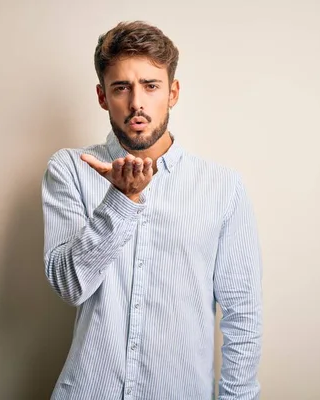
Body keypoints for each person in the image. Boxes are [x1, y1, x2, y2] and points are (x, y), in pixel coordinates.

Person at [41, 20, 263, 400]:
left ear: (173, 92)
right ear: (102, 96)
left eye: (151, 85)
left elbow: (243, 317)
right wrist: (122, 201)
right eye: (121, 87)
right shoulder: (69, 168)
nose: (137, 103)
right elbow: (69, 286)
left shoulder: (223, 188)